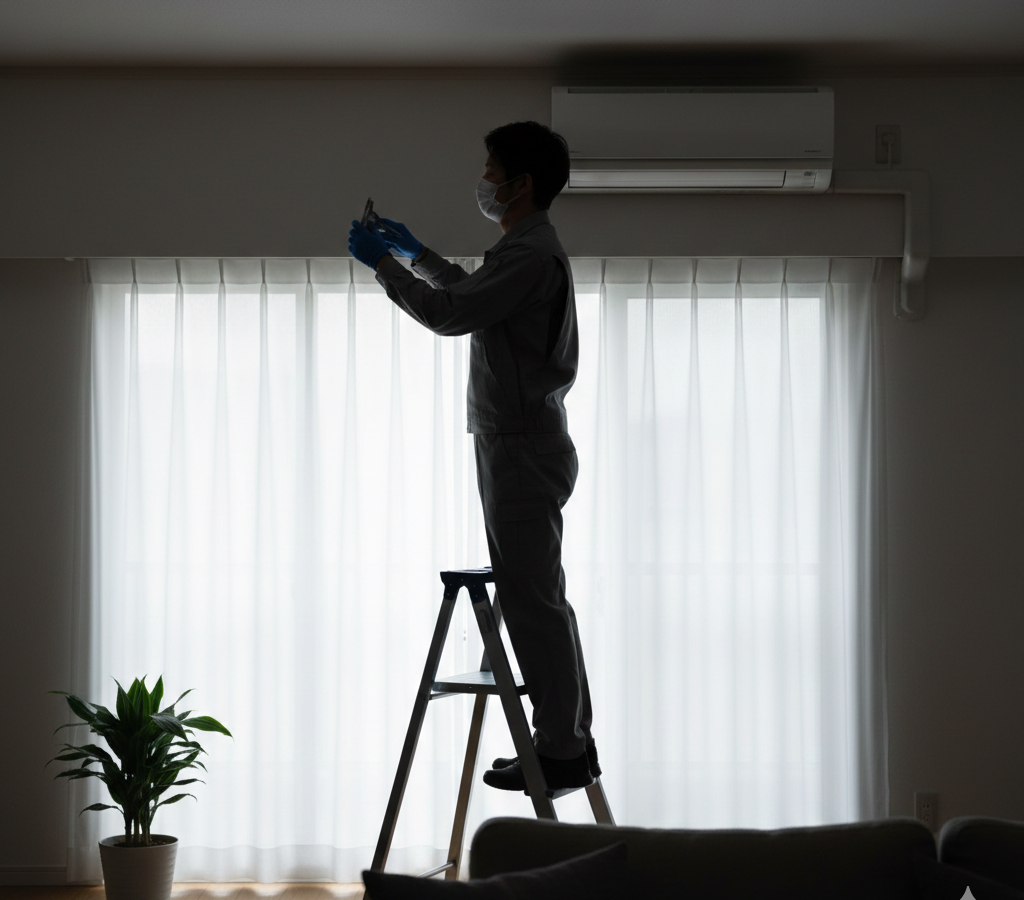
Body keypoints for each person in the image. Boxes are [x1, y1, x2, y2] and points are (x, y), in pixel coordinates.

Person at [347, 120, 599, 793]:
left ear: (520, 184)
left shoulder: (528, 256)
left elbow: (449, 314)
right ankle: (567, 739)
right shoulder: (522, 249)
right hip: (519, 440)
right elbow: (469, 295)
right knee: (539, 597)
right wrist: (415, 251)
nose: (483, 182)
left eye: (491, 172)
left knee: (533, 601)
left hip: (520, 444)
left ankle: (563, 747)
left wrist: (382, 264)